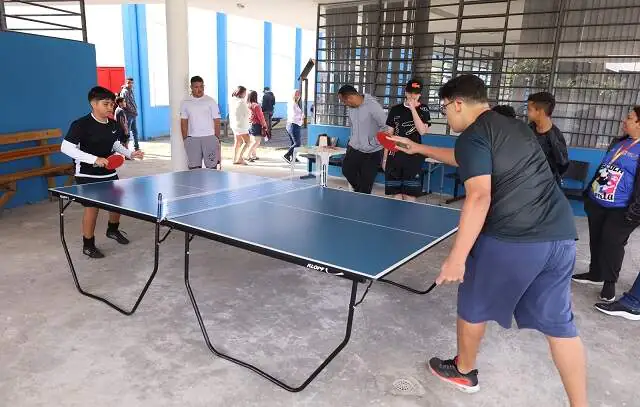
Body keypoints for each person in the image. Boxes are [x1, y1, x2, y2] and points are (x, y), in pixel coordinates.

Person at [387, 75, 587, 406]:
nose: (446, 115)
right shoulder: (515, 127)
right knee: (561, 327)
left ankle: (464, 370)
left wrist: (456, 257)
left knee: (472, 304)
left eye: (445, 108)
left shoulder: (473, 135)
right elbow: (469, 159)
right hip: (560, 236)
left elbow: (479, 196)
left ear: (458, 103)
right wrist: (420, 147)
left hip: (514, 237)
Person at [60, 86, 144, 259]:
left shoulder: (112, 124)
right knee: (93, 208)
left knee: (116, 203)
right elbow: (65, 147)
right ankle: (88, 244)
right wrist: (94, 159)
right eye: (106, 104)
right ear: (93, 104)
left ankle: (112, 230)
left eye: (112, 104)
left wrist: (129, 153)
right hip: (86, 174)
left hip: (108, 172)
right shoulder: (81, 125)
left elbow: (114, 144)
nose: (110, 107)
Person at [572, 106, 640, 302]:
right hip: (598, 202)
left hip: (623, 208)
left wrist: (635, 210)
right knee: (597, 238)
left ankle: (609, 282)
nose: (624, 121)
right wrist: (589, 194)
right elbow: (604, 167)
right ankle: (595, 273)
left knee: (613, 243)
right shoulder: (619, 142)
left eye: (629, 118)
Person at [383, 79, 431, 201]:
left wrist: (413, 109)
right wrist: (385, 158)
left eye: (415, 93)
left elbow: (422, 131)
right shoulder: (395, 109)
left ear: (420, 94)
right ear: (405, 92)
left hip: (413, 158)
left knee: (410, 195)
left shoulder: (424, 109)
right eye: (410, 92)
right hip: (394, 157)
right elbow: (389, 136)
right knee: (396, 195)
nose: (412, 96)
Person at [337, 85, 387, 194]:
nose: (345, 104)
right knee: (347, 170)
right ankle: (360, 192)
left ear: (350, 98)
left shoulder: (373, 106)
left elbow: (386, 127)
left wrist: (372, 142)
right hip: (354, 148)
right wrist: (352, 140)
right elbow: (353, 127)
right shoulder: (351, 108)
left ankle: (362, 197)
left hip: (372, 152)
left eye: (344, 101)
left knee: (366, 184)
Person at [180, 76, 222, 170]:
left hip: (210, 138)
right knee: (194, 169)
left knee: (212, 168)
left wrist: (216, 138)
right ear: (191, 87)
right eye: (196, 87)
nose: (199, 89)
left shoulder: (211, 101)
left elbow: (217, 121)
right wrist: (186, 139)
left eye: (201, 86)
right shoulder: (185, 102)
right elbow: (183, 121)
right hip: (192, 139)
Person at [527, 92, 569, 185]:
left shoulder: (555, 137)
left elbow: (562, 166)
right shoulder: (527, 130)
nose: (527, 113)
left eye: (529, 109)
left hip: (547, 187)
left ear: (540, 112)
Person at [229, 86, 251, 165]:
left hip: (234, 124)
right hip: (241, 125)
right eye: (245, 93)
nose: (245, 94)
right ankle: (240, 158)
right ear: (241, 93)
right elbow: (248, 113)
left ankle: (234, 159)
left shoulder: (232, 100)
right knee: (247, 141)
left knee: (237, 141)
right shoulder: (242, 102)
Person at [245, 90, 268, 162]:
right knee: (256, 141)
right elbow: (261, 117)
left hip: (250, 124)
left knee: (253, 141)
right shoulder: (256, 106)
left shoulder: (247, 105)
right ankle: (248, 155)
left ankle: (253, 155)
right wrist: (264, 125)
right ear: (255, 96)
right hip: (256, 125)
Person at [283, 89, 304, 163]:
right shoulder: (293, 104)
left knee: (293, 142)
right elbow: (293, 116)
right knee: (297, 143)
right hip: (293, 125)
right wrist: (301, 117)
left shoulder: (295, 103)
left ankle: (293, 157)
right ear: (293, 95)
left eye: (299, 94)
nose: (298, 96)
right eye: (296, 94)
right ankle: (287, 155)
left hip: (292, 124)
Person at [119, 77, 140, 151]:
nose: (130, 84)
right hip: (128, 115)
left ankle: (136, 148)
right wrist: (133, 111)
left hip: (133, 114)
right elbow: (126, 104)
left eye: (131, 83)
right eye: (128, 83)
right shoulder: (125, 91)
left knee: (135, 131)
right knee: (127, 132)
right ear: (126, 83)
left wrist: (135, 110)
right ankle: (125, 150)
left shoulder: (130, 90)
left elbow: (132, 102)